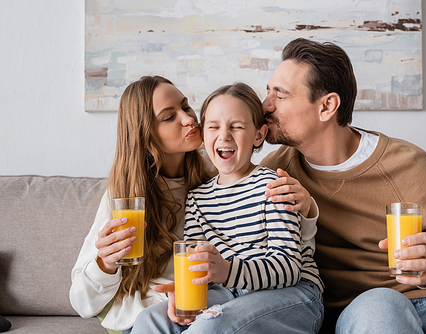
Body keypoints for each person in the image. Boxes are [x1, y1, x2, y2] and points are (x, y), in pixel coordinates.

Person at [259, 38, 426, 333]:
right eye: (267, 91)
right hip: (368, 306)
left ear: (327, 106)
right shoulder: (275, 172)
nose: (264, 106)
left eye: (279, 95)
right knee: (382, 306)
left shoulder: (405, 163)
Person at [69, 76, 313, 333]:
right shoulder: (128, 197)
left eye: (185, 107)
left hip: (250, 289)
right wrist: (104, 264)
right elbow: (82, 302)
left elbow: (289, 256)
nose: (188, 119)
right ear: (145, 134)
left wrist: (305, 209)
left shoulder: (221, 171)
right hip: (166, 303)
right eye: (168, 117)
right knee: (151, 322)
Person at [132, 82, 324, 334]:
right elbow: (194, 266)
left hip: (294, 293)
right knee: (150, 319)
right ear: (204, 133)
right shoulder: (197, 198)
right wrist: (184, 291)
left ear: (259, 135)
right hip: (229, 293)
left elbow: (288, 268)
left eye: (237, 126)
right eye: (213, 126)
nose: (224, 135)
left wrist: (227, 271)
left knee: (211, 326)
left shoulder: (273, 186)